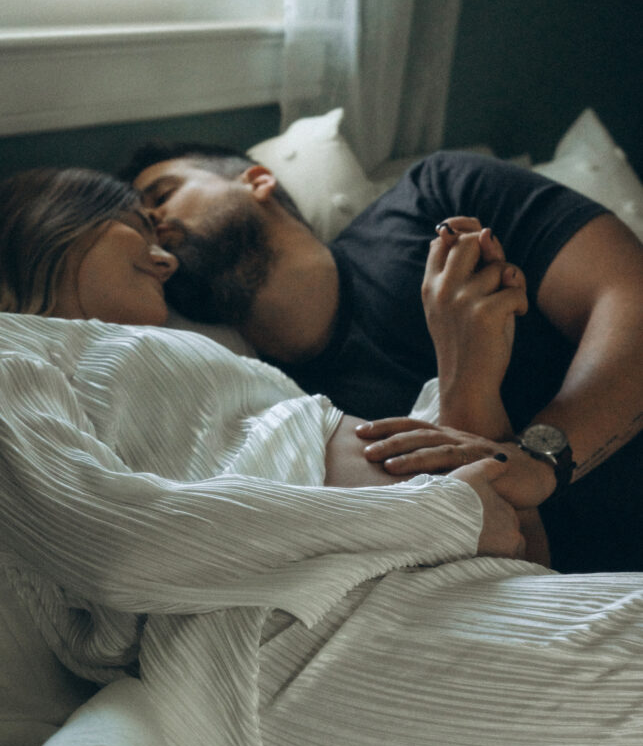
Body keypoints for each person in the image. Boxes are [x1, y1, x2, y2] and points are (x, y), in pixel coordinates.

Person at [0, 167, 642, 746]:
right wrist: (442, 515)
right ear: (54, 216)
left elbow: (512, 558)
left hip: (405, 653)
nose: (162, 258)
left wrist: (464, 383)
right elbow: (113, 548)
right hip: (304, 660)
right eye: (134, 222)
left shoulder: (213, 364)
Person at [122, 143, 643, 575]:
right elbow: (506, 565)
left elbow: (631, 298)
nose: (153, 226)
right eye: (140, 232)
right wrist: (466, 391)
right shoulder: (275, 421)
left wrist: (541, 458)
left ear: (257, 181)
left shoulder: (435, 202)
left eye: (162, 196)